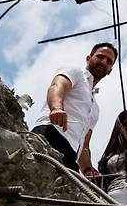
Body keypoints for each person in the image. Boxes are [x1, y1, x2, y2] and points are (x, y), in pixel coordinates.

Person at [32, 43, 117, 175]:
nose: (103, 61)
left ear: (110, 70)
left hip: (70, 155)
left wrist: (88, 168)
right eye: (100, 56)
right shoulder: (76, 72)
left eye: (109, 61)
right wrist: (56, 108)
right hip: (51, 133)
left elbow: (84, 144)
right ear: (88, 59)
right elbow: (57, 86)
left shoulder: (95, 108)